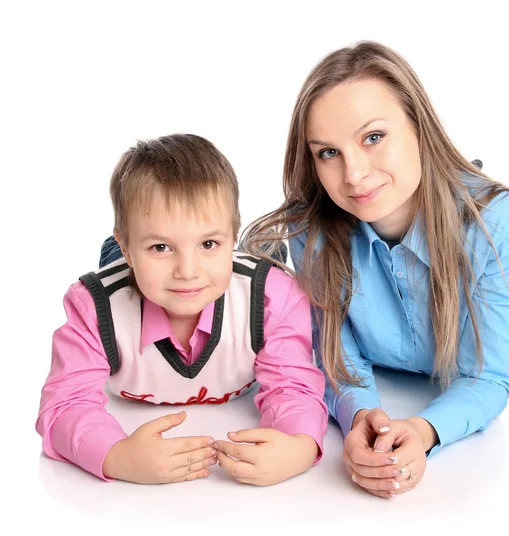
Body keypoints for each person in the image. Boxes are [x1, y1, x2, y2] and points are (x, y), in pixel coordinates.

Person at [241, 41, 509, 499]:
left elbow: (486, 376)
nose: (354, 174)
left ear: (419, 127)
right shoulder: (312, 229)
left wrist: (422, 430)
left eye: (373, 137)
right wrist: (361, 417)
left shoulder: (494, 223)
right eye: (328, 153)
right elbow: (337, 352)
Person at [35, 133, 328, 486]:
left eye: (209, 243)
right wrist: (115, 455)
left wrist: (299, 445)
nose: (187, 271)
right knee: (128, 273)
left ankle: (237, 248)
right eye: (161, 247)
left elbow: (294, 387)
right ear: (128, 248)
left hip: (245, 276)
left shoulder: (273, 299)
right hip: (126, 276)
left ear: (230, 238)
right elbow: (64, 404)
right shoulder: (93, 308)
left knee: (261, 262)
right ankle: (142, 251)